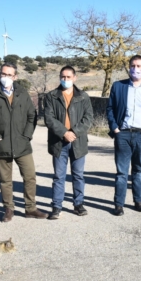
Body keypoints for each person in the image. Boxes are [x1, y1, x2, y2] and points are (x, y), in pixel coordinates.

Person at [0, 62, 47, 222]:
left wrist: (27, 135)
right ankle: (8, 209)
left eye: (9, 75)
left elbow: (31, 115)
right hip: (1, 146)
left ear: (15, 77)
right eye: (3, 74)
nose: (5, 78)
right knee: (5, 180)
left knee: (30, 177)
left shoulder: (22, 93)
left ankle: (31, 208)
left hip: (22, 145)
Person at [106, 55, 141, 216]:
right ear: (129, 68)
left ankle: (138, 201)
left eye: (138, 66)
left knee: (138, 169)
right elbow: (110, 109)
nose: (135, 69)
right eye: (132, 65)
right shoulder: (118, 86)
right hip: (122, 134)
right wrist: (115, 128)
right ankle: (118, 204)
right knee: (122, 172)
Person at [43, 65, 93, 220]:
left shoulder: (83, 97)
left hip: (78, 142)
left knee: (78, 175)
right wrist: (64, 132)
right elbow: (49, 118)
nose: (65, 80)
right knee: (59, 176)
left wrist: (74, 133)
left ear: (74, 78)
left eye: (68, 77)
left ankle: (78, 204)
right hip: (59, 142)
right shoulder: (51, 96)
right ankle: (57, 206)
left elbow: (88, 118)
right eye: (63, 77)